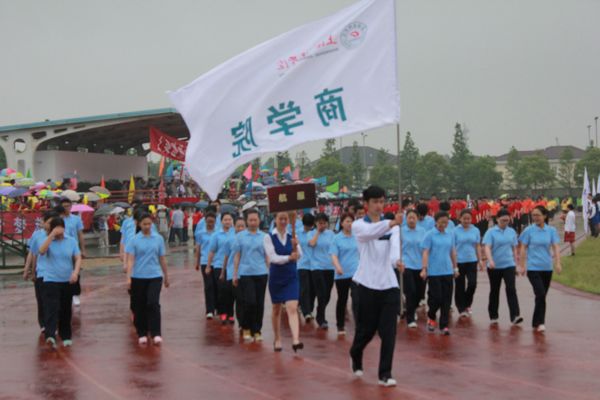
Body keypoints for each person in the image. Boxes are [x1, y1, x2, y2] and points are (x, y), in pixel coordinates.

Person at [349, 186, 402, 388]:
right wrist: (391, 223)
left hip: (389, 285)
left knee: (389, 332)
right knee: (367, 331)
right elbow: (372, 232)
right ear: (366, 204)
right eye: (375, 202)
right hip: (366, 284)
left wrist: (397, 261)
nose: (379, 205)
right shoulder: (358, 226)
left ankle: (385, 373)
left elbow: (395, 248)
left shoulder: (393, 227)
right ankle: (355, 352)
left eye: (382, 201)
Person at [125, 212, 170, 345]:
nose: (147, 226)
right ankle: (142, 332)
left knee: (153, 303)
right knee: (140, 305)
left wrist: (166, 276)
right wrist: (128, 278)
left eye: (149, 224)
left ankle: (156, 332)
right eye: (144, 224)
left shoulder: (158, 239)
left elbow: (162, 258)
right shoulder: (134, 240)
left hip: (155, 276)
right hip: (138, 277)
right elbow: (131, 260)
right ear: (139, 224)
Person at [38, 217, 82, 349]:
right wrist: (51, 236)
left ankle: (66, 336)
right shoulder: (47, 240)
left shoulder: (71, 241)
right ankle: (50, 335)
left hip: (66, 279)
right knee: (52, 307)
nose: (59, 231)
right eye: (55, 228)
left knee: (65, 309)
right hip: (50, 279)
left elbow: (77, 257)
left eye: (60, 228)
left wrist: (75, 272)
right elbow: (41, 251)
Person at [265, 211, 304, 352]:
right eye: (280, 218)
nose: (283, 221)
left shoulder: (292, 236)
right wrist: (289, 257)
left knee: (292, 307)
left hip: (291, 276)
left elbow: (300, 255)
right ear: (275, 219)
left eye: (285, 219)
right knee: (276, 309)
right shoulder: (269, 237)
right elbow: (273, 257)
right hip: (276, 277)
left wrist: (296, 246)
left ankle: (295, 339)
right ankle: (277, 338)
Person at [519, 206, 561, 333]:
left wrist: (558, 263)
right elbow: (523, 248)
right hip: (533, 267)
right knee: (540, 293)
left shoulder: (551, 230)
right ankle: (541, 322)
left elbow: (555, 247)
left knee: (541, 296)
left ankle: (535, 321)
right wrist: (522, 265)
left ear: (545, 216)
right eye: (533, 215)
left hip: (547, 267)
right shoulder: (528, 230)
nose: (535, 218)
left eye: (538, 215)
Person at [482, 208, 523, 326]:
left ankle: (515, 315)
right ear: (497, 219)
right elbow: (487, 247)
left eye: (507, 220)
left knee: (511, 289)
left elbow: (514, 249)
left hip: (509, 264)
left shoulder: (511, 232)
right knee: (495, 290)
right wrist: (490, 260)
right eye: (503, 220)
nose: (505, 223)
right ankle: (493, 315)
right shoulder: (491, 232)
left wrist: (516, 264)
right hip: (494, 266)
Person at [232, 209, 268, 342]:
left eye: (255, 220)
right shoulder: (240, 236)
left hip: (262, 272)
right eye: (250, 220)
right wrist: (235, 273)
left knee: (260, 303)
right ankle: (246, 326)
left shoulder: (264, 237)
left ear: (259, 221)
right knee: (250, 302)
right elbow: (237, 255)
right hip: (246, 273)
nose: (253, 222)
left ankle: (257, 330)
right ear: (247, 221)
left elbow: (267, 256)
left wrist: (271, 270)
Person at [420, 211, 458, 336]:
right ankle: (431, 316)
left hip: (447, 270)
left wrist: (455, 267)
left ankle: (444, 325)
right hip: (434, 271)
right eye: (441, 222)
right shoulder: (429, 234)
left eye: (446, 222)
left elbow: (452, 251)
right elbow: (425, 252)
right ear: (436, 222)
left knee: (447, 299)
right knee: (437, 298)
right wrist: (424, 268)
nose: (443, 225)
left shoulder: (450, 234)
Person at [22, 210, 59, 333]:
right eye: (47, 222)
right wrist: (30, 270)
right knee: (42, 299)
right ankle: (43, 322)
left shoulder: (61, 235)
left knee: (54, 300)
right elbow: (33, 254)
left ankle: (53, 323)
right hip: (41, 272)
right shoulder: (37, 235)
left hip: (57, 273)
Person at [329, 213, 359, 335]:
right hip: (342, 274)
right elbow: (333, 255)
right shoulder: (337, 238)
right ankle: (340, 325)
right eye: (347, 221)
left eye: (351, 221)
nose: (349, 224)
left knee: (357, 299)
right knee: (342, 299)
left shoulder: (357, 237)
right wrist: (338, 267)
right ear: (341, 223)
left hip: (356, 273)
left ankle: (359, 323)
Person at [453, 209, 483, 318]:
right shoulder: (455, 231)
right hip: (459, 261)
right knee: (460, 285)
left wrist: (480, 260)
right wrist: (454, 264)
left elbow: (477, 245)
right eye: (464, 218)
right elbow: (452, 248)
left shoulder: (475, 230)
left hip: (472, 260)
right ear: (460, 218)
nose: (466, 220)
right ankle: (461, 308)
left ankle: (467, 303)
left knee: (472, 283)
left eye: (469, 218)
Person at [399, 209, 426, 328]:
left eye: (413, 217)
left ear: (417, 218)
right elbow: (398, 247)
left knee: (420, 293)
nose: (411, 220)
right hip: (407, 264)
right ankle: (410, 319)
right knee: (411, 291)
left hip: (419, 264)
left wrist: (426, 265)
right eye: (409, 217)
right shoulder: (401, 231)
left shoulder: (423, 231)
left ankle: (411, 307)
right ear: (406, 218)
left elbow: (425, 249)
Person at [308, 213, 335, 329]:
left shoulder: (331, 234)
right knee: (321, 292)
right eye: (320, 223)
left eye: (324, 223)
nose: (322, 225)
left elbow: (334, 248)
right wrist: (318, 232)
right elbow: (312, 244)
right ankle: (321, 318)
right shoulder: (311, 233)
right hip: (316, 267)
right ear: (316, 223)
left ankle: (320, 309)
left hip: (329, 267)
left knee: (327, 294)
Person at [206, 212, 234, 323]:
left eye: (229, 219)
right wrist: (208, 266)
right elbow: (212, 251)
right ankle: (223, 313)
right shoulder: (216, 235)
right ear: (221, 221)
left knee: (231, 291)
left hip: (232, 266)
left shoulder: (235, 233)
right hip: (218, 266)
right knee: (222, 291)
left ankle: (231, 314)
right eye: (225, 219)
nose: (227, 221)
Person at [59, 198, 85, 306]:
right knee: (63, 271)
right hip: (61, 249)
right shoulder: (58, 219)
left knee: (76, 272)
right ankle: (65, 293)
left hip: (74, 249)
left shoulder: (76, 219)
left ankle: (75, 294)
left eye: (68, 206)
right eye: (64, 206)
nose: (66, 208)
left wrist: (83, 249)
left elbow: (80, 234)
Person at [220, 217, 246, 325]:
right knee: (229, 296)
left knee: (241, 299)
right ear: (234, 227)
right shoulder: (230, 240)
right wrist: (223, 272)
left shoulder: (247, 240)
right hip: (231, 272)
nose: (240, 228)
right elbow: (226, 257)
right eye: (238, 226)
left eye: (242, 226)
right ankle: (229, 314)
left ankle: (241, 322)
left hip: (244, 273)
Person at [195, 212, 217, 319]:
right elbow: (198, 248)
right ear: (205, 221)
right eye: (208, 222)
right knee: (208, 286)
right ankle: (209, 310)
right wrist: (197, 262)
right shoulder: (200, 233)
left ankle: (217, 306)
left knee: (217, 285)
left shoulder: (218, 233)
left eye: (212, 222)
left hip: (217, 262)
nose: (210, 224)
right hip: (204, 262)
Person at [297, 213, 316, 321]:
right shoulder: (298, 232)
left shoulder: (315, 233)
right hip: (302, 264)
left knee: (313, 289)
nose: (308, 228)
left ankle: (310, 308)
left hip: (314, 264)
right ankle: (306, 312)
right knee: (305, 288)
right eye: (306, 226)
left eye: (310, 226)